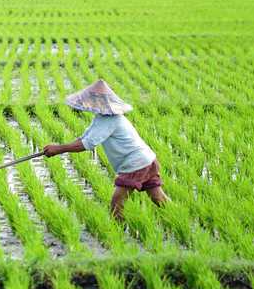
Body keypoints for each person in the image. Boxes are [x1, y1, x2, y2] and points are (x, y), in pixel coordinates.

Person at [42, 79, 168, 221]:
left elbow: (87, 144)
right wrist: (57, 147)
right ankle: (175, 217)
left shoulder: (110, 120)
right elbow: (84, 138)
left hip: (135, 163)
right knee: (158, 197)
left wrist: (58, 149)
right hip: (147, 160)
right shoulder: (101, 118)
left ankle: (117, 232)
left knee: (117, 202)